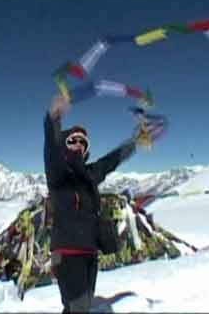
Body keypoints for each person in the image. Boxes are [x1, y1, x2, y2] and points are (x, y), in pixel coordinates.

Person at [44, 95, 137, 313]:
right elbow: (50, 149)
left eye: (82, 142)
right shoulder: (58, 172)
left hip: (88, 251)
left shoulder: (90, 173)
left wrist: (134, 143)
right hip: (67, 253)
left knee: (79, 306)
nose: (78, 144)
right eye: (72, 140)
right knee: (78, 307)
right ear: (64, 144)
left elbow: (110, 162)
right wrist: (53, 119)